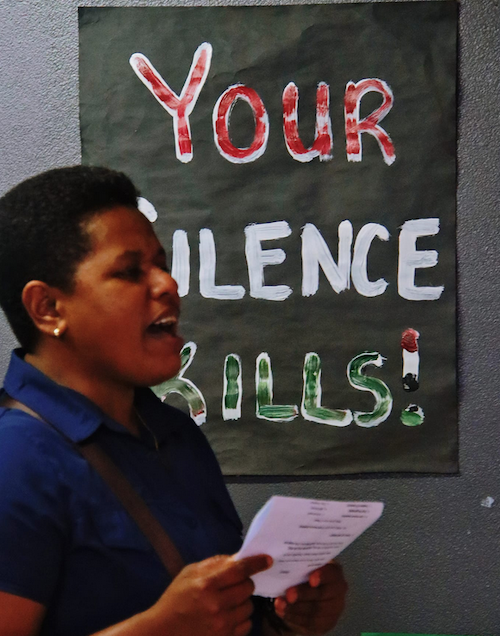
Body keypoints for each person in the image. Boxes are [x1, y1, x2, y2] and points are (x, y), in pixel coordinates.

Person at [0, 166, 347, 636]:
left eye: (160, 264)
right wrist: (159, 629)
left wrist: (285, 614)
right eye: (129, 272)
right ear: (48, 308)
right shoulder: (14, 460)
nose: (167, 285)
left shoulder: (174, 433)